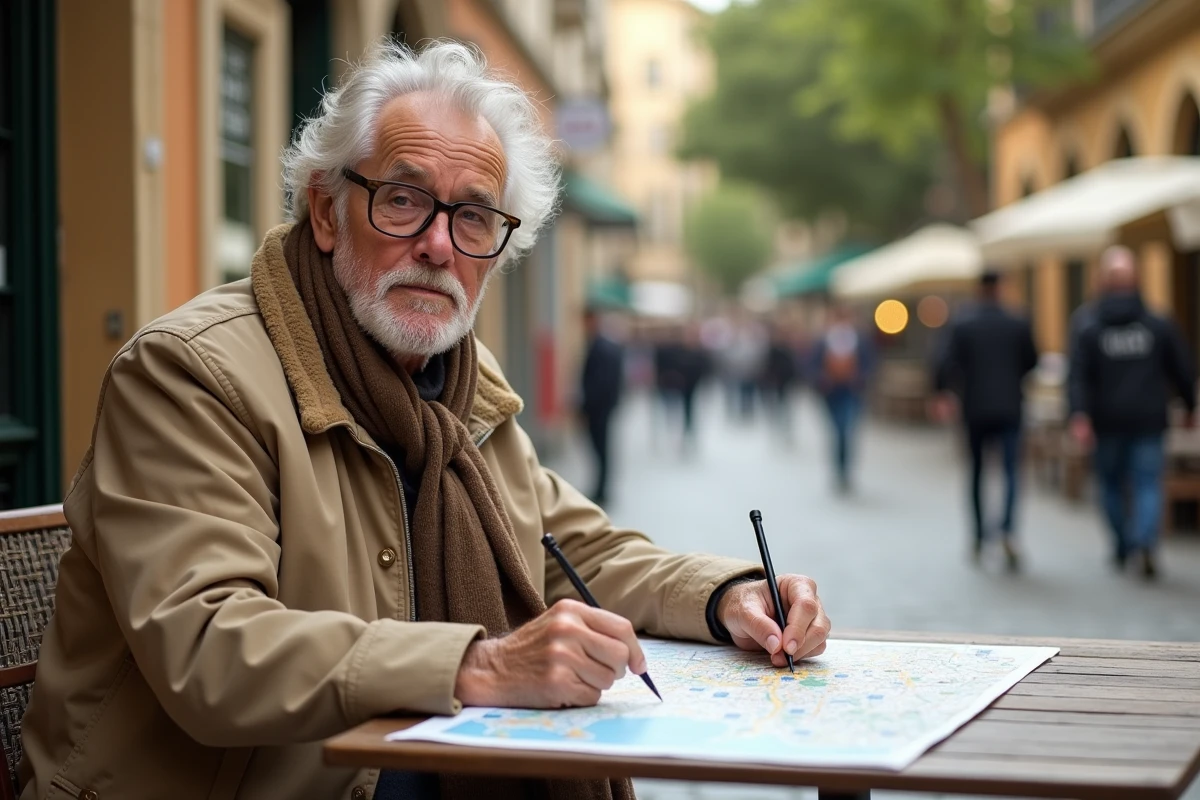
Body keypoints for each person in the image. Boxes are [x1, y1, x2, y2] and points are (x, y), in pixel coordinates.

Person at [18, 42, 829, 800]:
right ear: (328, 213)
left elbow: (572, 550)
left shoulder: (459, 384)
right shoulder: (190, 373)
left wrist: (728, 596)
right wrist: (481, 664)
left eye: (474, 217)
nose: (439, 245)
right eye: (403, 201)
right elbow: (211, 649)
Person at [1068, 245, 1195, 579]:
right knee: (1148, 483)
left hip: (1107, 419)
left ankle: (1124, 542)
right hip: (1149, 418)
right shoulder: (1157, 322)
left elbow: (1078, 375)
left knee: (1110, 484)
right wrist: (1190, 405)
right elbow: (1181, 368)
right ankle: (1145, 542)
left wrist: (1079, 414)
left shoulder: (1087, 324)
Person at [932, 271, 1038, 568]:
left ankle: (979, 535)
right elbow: (1032, 361)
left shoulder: (963, 322)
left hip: (975, 408)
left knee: (977, 472)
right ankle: (1008, 530)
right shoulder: (1017, 321)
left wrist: (943, 391)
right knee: (1011, 471)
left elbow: (944, 361)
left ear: (979, 289)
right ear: (1000, 288)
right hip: (1010, 407)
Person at [811, 304, 873, 493]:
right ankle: (839, 469)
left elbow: (871, 363)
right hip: (832, 393)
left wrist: (860, 378)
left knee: (846, 429)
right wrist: (821, 379)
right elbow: (811, 364)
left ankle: (844, 470)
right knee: (837, 430)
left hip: (851, 391)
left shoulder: (860, 340)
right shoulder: (823, 341)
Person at [580, 307, 624, 505]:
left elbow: (602, 382)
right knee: (600, 449)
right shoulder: (602, 344)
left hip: (600, 409)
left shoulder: (602, 346)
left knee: (601, 448)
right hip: (602, 407)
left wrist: (589, 406)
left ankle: (602, 489)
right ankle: (601, 488)